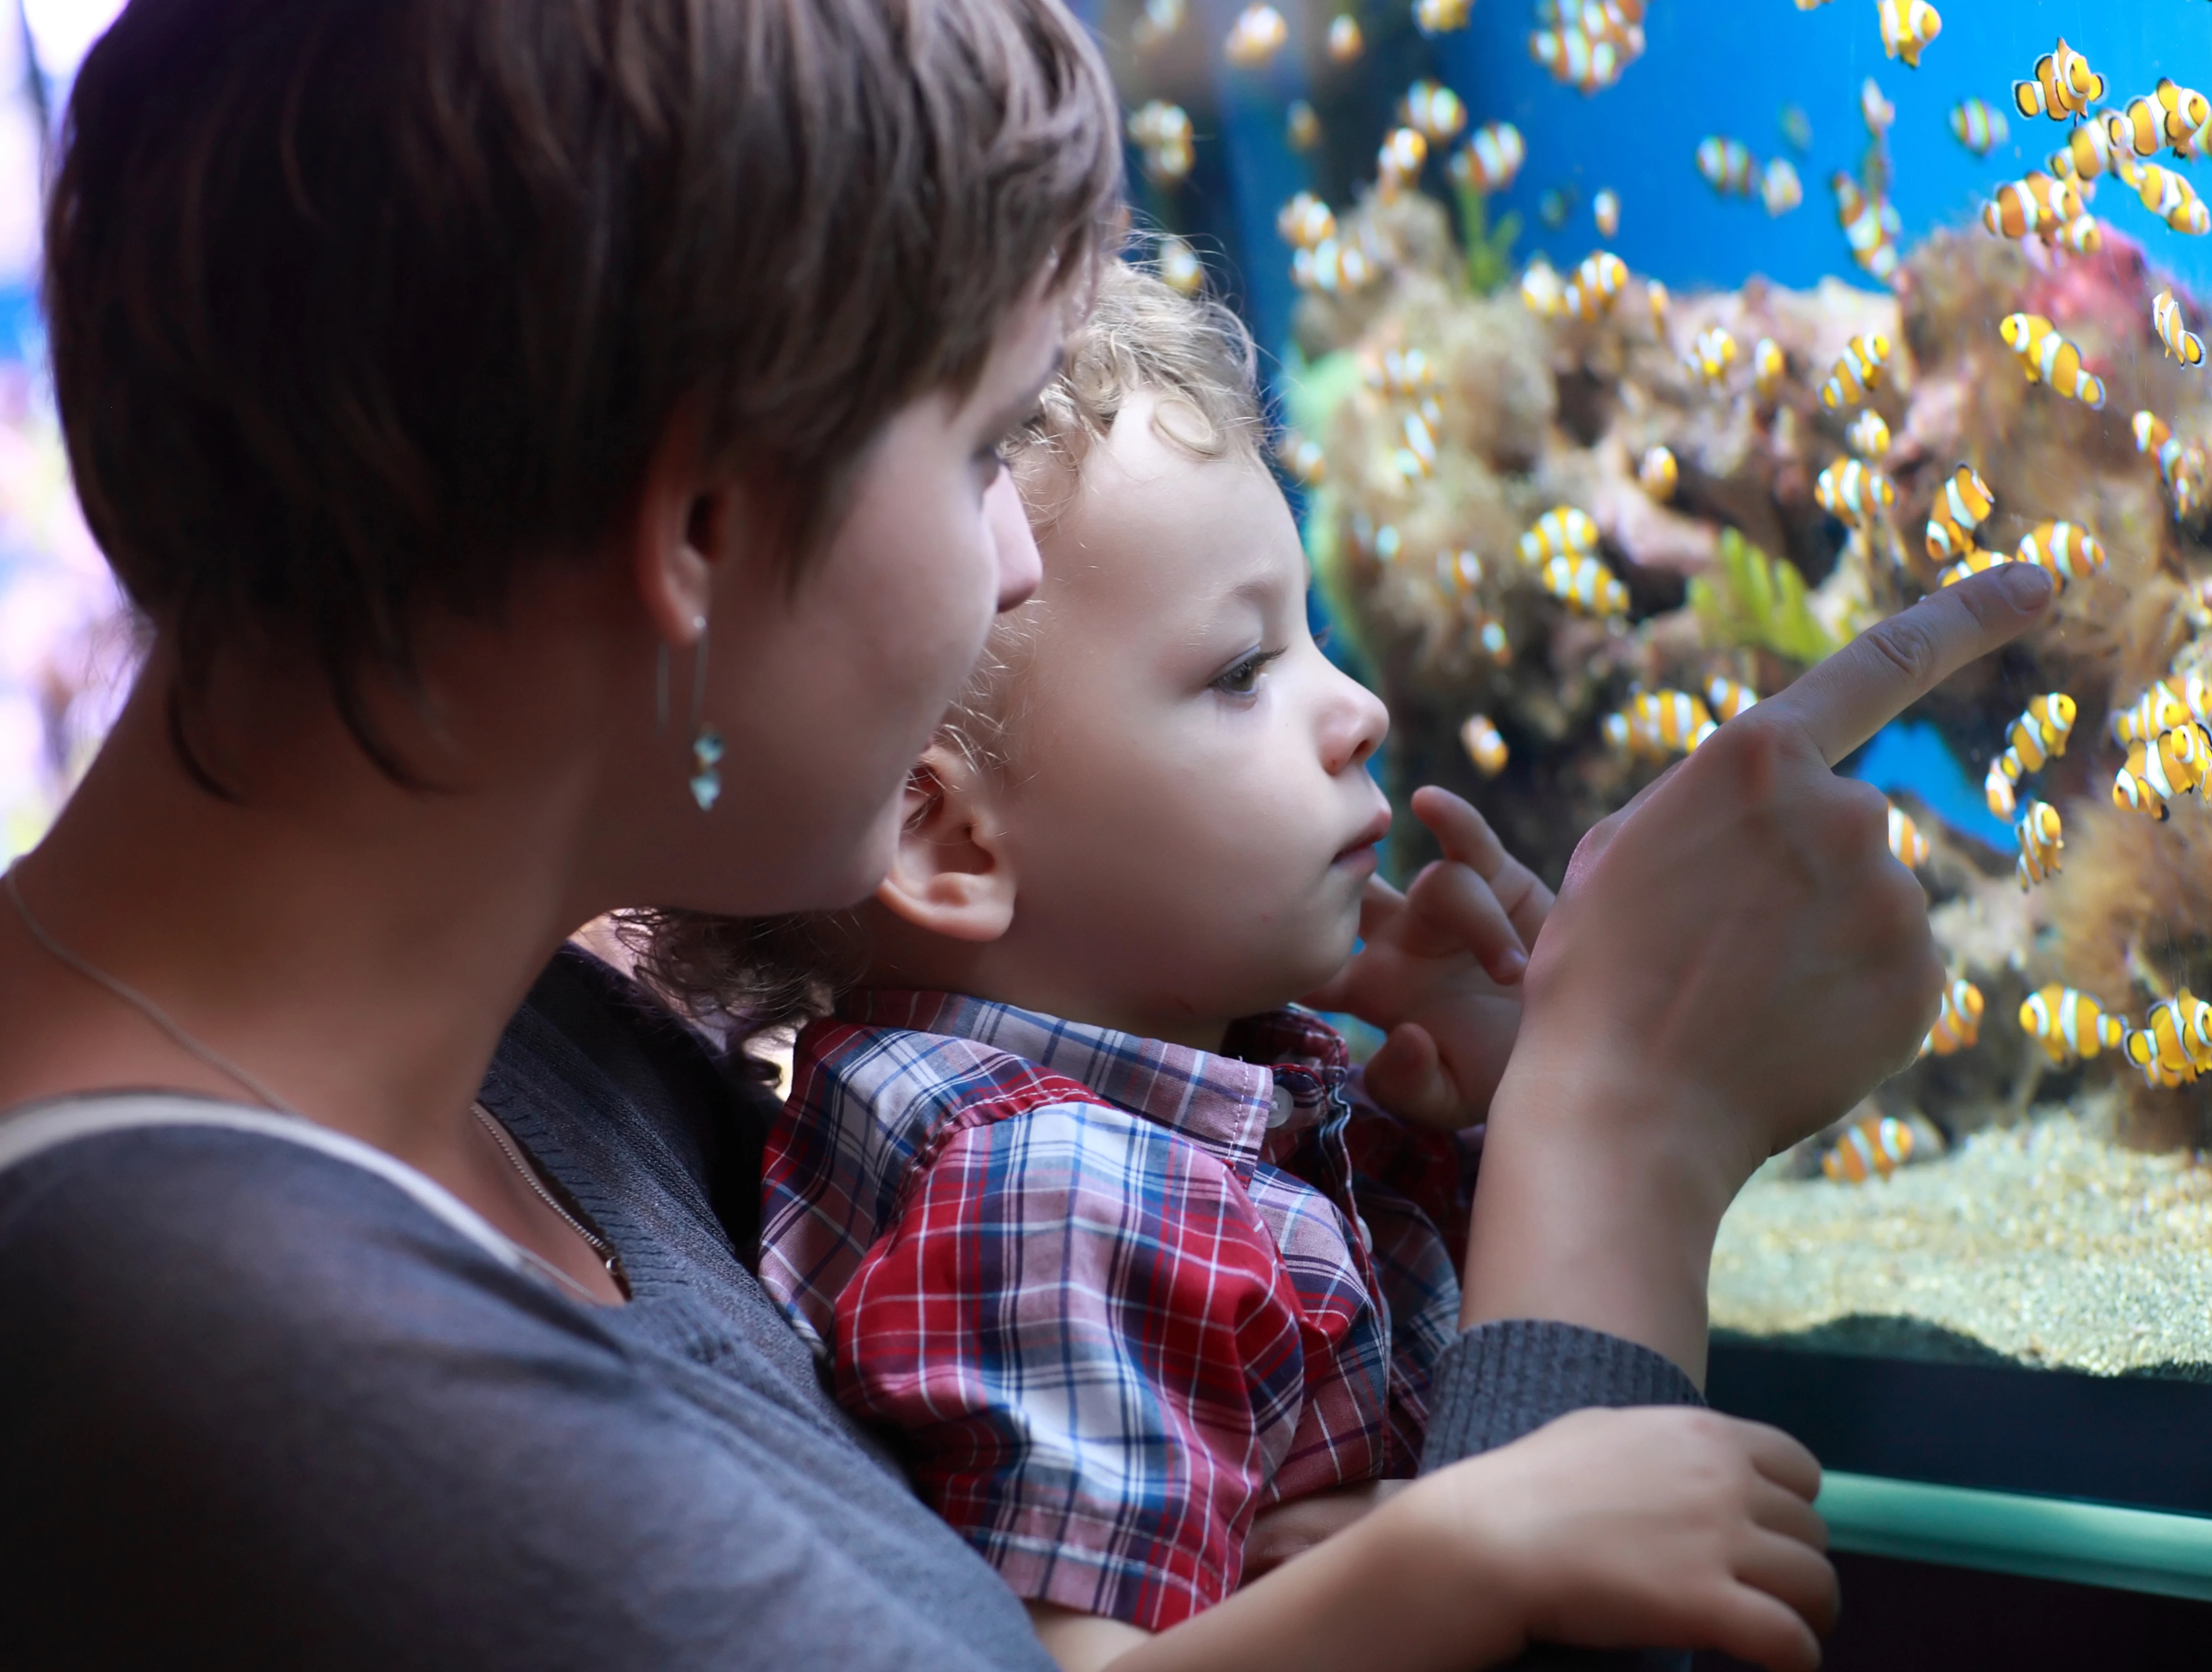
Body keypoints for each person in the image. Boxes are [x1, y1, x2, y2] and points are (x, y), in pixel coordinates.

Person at [0, 1, 2056, 1667]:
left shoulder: (533, 1067)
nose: (1009, 562)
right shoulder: (235, 1353)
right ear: (700, 525)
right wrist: (1622, 1145)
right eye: (986, 445)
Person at [636, 261, 1568, 1668]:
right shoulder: (1053, 1196)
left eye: (1308, 632)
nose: (1361, 706)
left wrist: (1488, 1086)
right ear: (948, 841)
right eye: (1242, 670)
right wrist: (1431, 1569)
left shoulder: (1185, 1089)